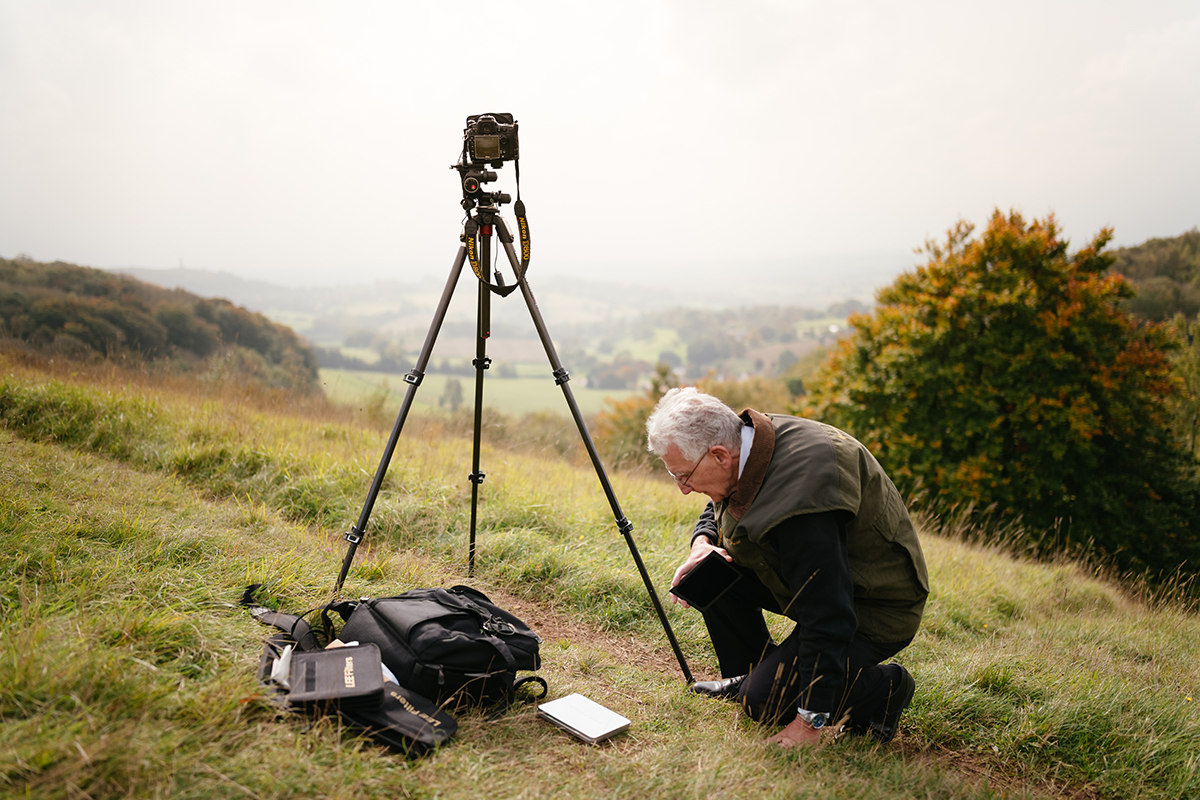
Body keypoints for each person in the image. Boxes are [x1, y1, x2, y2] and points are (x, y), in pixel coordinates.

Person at [645, 387, 929, 748]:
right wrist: (702, 543)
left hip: (869, 606)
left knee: (764, 704)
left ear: (718, 455)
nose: (684, 489)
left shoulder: (803, 503)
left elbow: (829, 614)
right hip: (807, 580)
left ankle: (883, 688)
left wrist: (810, 722)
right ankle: (752, 676)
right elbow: (722, 504)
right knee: (708, 576)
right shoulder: (742, 447)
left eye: (683, 476)